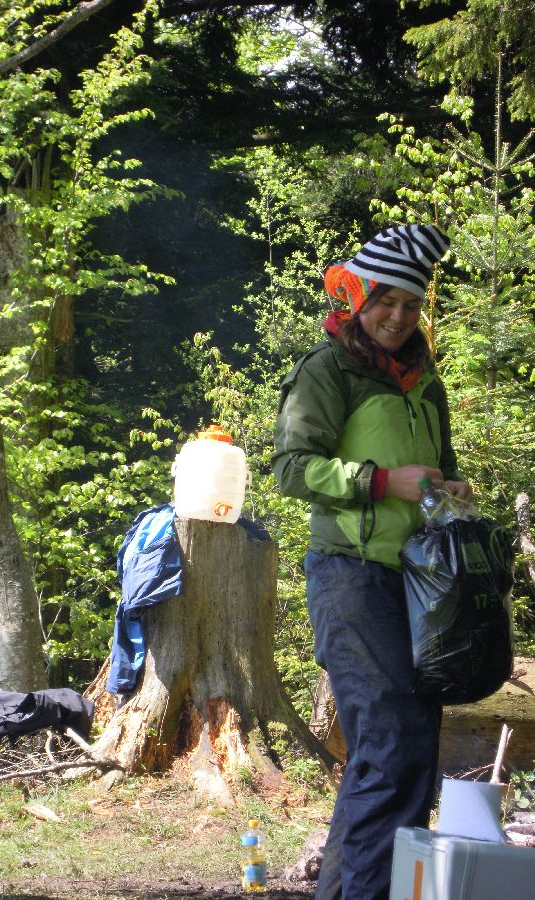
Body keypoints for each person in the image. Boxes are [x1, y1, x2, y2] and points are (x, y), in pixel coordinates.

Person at [271, 224, 472, 900]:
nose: (397, 316)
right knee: (389, 747)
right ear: (358, 299)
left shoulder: (424, 381)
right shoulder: (326, 370)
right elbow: (291, 469)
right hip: (349, 577)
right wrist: (382, 482)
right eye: (385, 300)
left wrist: (448, 488)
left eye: (410, 304)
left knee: (409, 750)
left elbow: (437, 468)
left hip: (420, 583)